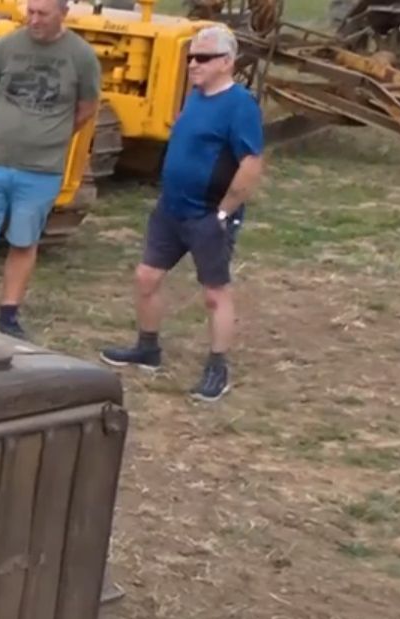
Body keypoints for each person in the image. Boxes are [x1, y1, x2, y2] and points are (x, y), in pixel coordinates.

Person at [98, 24, 264, 403]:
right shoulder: (196, 96)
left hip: (207, 214)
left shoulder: (240, 105)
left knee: (214, 293)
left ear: (227, 62)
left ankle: (218, 367)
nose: (192, 64)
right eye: (191, 57)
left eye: (202, 58)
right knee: (146, 277)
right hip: (171, 210)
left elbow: (251, 163)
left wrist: (223, 213)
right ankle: (147, 348)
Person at [0, 0, 100, 340]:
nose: (34, 20)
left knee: (23, 241)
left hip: (41, 170)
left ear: (63, 14)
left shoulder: (81, 56)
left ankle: (8, 315)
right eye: (30, 12)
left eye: (42, 14)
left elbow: (87, 106)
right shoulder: (5, 47)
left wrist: (51, 134)